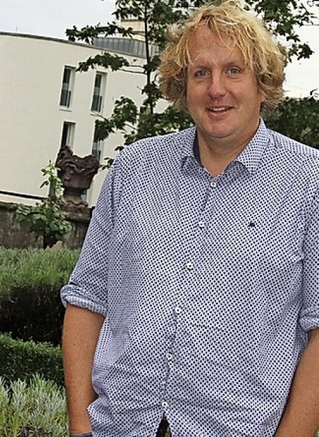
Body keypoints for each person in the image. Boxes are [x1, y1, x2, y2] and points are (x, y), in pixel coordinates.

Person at [61, 1, 319, 436]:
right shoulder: (134, 170)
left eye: (234, 70)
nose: (216, 88)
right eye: (201, 73)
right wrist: (82, 426)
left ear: (263, 83)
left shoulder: (309, 183)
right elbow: (87, 301)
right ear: (182, 86)